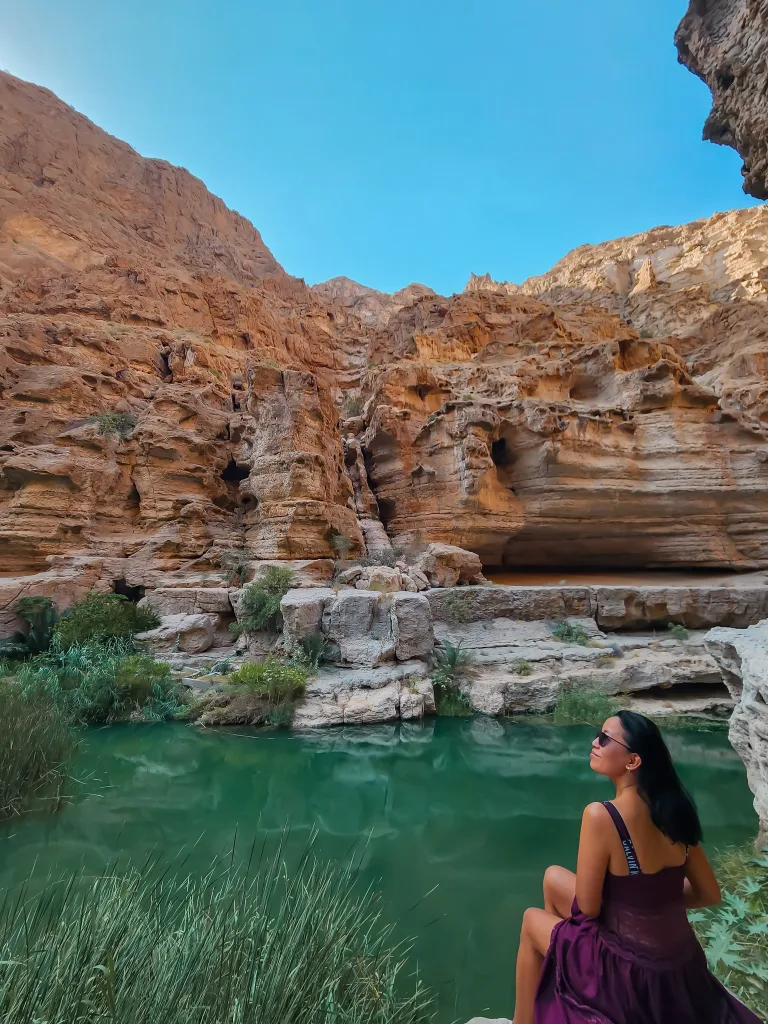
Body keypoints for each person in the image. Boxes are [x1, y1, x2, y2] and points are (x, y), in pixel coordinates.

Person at [512, 709, 763, 1024]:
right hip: (679, 968)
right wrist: (648, 902)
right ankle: (566, 995)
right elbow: (709, 894)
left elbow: (588, 908)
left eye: (605, 739)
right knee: (553, 877)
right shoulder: (675, 811)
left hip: (629, 974)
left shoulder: (601, 815)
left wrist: (637, 904)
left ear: (632, 761)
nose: (595, 742)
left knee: (531, 920)